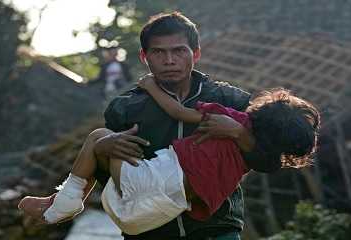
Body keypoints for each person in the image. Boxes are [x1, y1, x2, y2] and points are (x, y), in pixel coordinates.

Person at [19, 12, 284, 239]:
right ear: (145, 57)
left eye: (179, 50)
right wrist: (103, 148)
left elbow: (269, 161)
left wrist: (237, 132)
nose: (169, 60)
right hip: (150, 232)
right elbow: (117, 181)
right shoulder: (125, 108)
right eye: (159, 52)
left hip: (216, 230)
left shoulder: (229, 100)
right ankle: (62, 202)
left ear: (196, 53)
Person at [19, 76, 320, 234]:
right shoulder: (255, 156)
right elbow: (268, 162)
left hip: (149, 185)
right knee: (107, 145)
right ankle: (63, 201)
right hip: (163, 209)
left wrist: (150, 85)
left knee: (99, 137)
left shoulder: (233, 119)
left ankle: (67, 199)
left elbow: (177, 111)